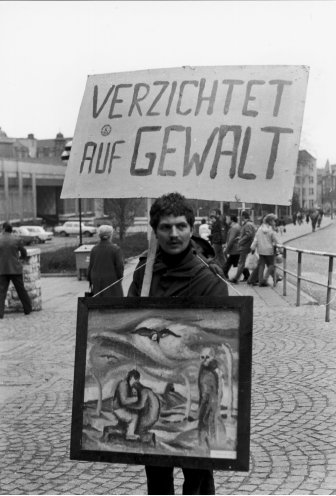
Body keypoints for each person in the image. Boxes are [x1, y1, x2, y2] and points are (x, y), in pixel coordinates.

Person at [128, 192, 228, 495]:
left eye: (181, 226)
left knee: (198, 477)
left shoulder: (208, 279)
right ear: (155, 230)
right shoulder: (143, 275)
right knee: (157, 477)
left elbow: (218, 341)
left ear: (191, 228)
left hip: (195, 392)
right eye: (166, 227)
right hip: (154, 388)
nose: (174, 234)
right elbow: (133, 326)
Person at [0, 222, 32, 319]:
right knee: (21, 290)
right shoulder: (16, 239)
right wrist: (22, 259)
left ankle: (0, 313)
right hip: (15, 269)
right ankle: (27, 309)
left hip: (2, 269)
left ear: (4, 229)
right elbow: (23, 251)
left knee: (1, 292)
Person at [87, 224, 124, 297]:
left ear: (99, 235)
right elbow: (120, 267)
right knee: (113, 303)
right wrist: (120, 277)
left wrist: (90, 279)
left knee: (99, 302)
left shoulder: (94, 249)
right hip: (112, 281)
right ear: (111, 235)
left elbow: (90, 266)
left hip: (97, 280)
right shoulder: (116, 249)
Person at [250, 214, 279, 287]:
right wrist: (281, 249)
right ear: (270, 221)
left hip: (261, 250)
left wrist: (252, 247)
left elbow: (256, 239)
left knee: (261, 266)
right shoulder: (271, 230)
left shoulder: (260, 228)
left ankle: (260, 282)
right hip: (269, 250)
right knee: (271, 265)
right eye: (274, 221)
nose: (275, 223)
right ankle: (265, 279)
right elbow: (276, 240)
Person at [229, 211, 256, 284]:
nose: (240, 218)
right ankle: (253, 278)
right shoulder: (249, 224)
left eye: (241, 216)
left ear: (243, 216)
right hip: (247, 246)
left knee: (241, 263)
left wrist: (240, 240)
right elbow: (247, 234)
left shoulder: (247, 224)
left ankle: (236, 278)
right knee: (243, 263)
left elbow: (248, 235)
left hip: (245, 246)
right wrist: (240, 237)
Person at [223, 215, 241, 279]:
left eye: (228, 219)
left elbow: (231, 239)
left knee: (229, 262)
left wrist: (226, 249)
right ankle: (247, 275)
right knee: (237, 262)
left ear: (232, 220)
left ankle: (223, 275)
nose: (226, 221)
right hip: (236, 248)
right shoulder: (237, 226)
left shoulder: (234, 228)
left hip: (234, 249)